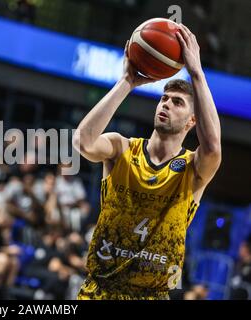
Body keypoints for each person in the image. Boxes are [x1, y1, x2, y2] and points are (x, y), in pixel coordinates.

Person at [74, 25, 222, 300]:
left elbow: (213, 146)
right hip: (100, 290)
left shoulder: (193, 168)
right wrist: (126, 83)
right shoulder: (121, 147)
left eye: (177, 102)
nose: (166, 104)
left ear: (193, 121)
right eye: (164, 99)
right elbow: (82, 142)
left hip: (152, 295)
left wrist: (197, 74)